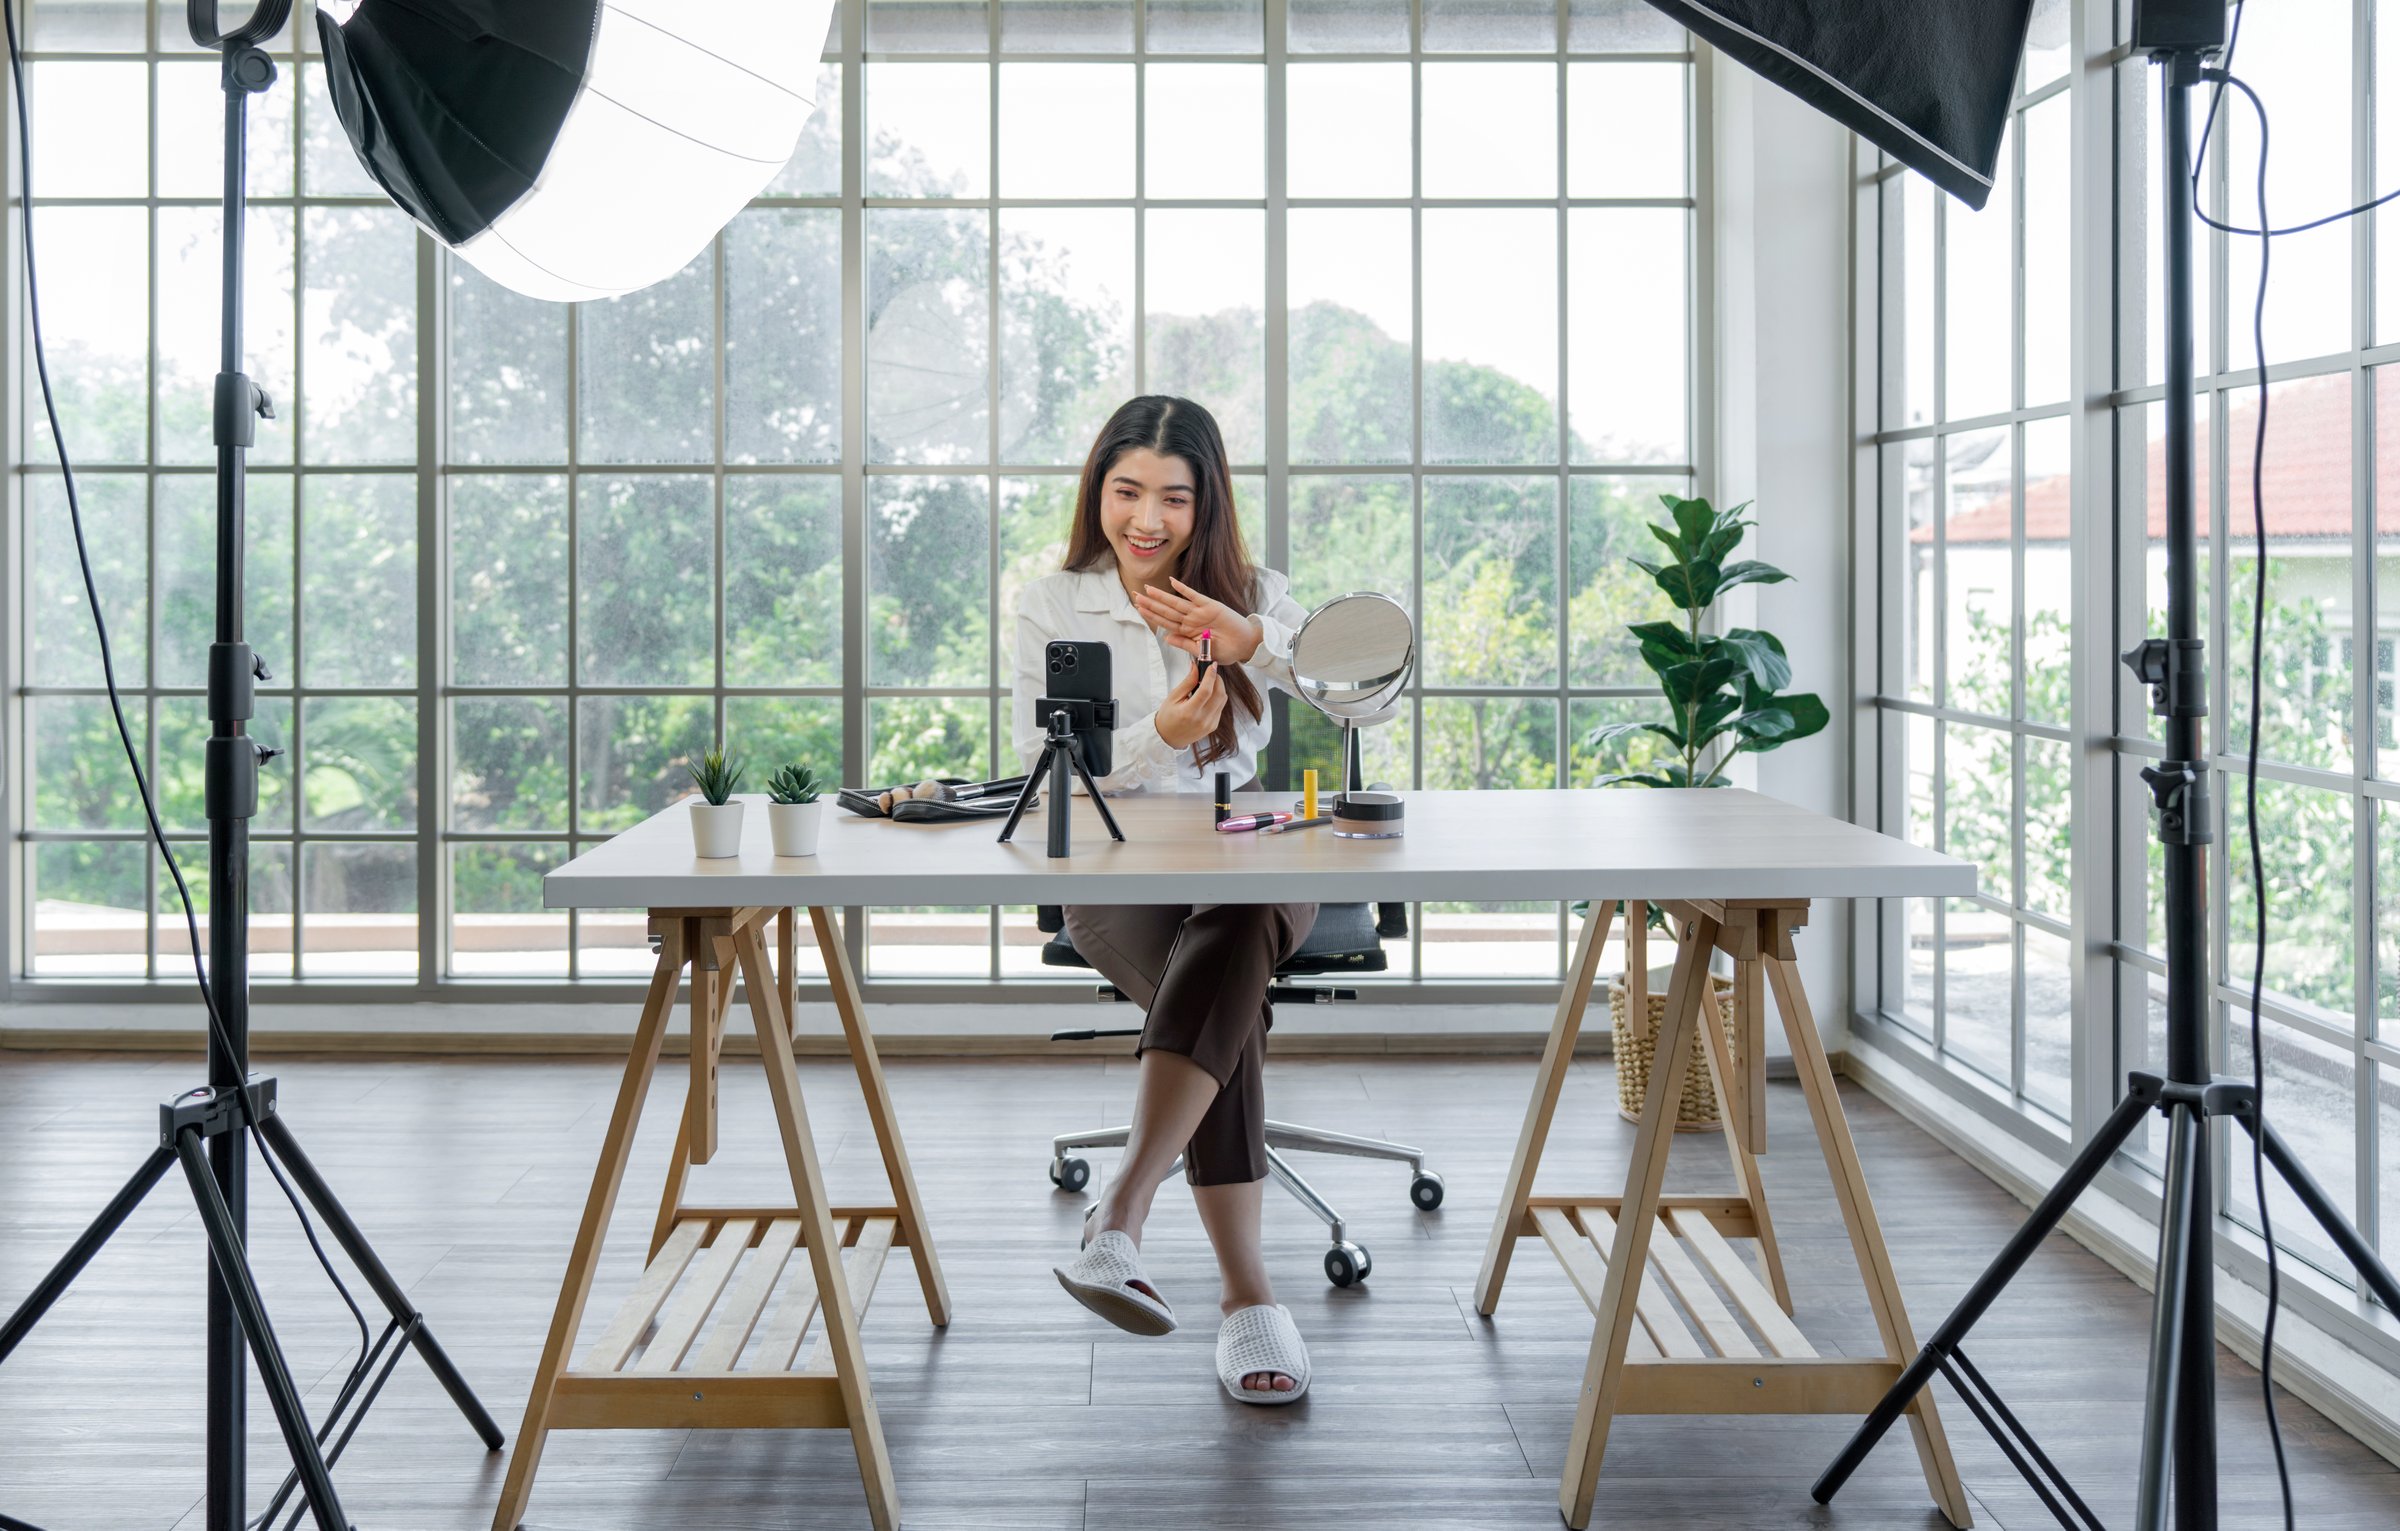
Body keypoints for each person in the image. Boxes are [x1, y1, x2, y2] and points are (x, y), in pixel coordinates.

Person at [1019, 396, 1317, 1405]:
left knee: (1233, 925)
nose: (1146, 519)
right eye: (1126, 491)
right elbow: (1045, 777)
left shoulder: (1258, 592)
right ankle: (1247, 1298)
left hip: (1252, 864)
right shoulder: (1055, 603)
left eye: (1173, 498)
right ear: (1098, 492)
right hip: (1113, 876)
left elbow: (1371, 686)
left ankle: (1122, 1215)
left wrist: (1252, 643)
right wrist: (1158, 733)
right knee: (1230, 997)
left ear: (1208, 504)